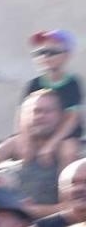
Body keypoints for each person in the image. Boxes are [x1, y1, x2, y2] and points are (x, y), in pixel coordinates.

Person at [0, 89, 79, 216]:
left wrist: (28, 210)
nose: (40, 116)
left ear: (61, 116)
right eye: (36, 111)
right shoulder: (15, 143)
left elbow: (73, 209)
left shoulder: (67, 149)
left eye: (47, 111)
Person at [24, 29, 82, 160]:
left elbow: (72, 118)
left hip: (64, 137)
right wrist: (25, 140)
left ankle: (65, 181)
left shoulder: (72, 84)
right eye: (41, 52)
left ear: (66, 55)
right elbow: (23, 115)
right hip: (37, 136)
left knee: (69, 151)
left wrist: (51, 144)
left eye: (52, 52)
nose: (45, 57)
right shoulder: (34, 83)